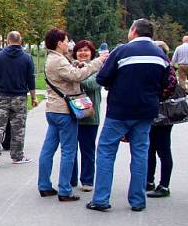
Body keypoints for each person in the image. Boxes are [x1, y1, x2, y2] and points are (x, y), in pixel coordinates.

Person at [87, 19, 174, 212]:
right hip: (146, 111)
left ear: (133, 31)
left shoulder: (122, 51)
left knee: (106, 152)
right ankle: (137, 200)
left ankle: (101, 199)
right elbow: (168, 83)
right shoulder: (160, 55)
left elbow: (102, 78)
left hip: (120, 110)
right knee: (140, 153)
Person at [38, 29, 105, 201]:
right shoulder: (58, 60)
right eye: (66, 41)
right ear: (59, 43)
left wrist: (77, 64)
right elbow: (77, 76)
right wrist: (97, 62)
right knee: (69, 151)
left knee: (48, 149)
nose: (69, 44)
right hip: (64, 112)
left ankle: (44, 185)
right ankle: (65, 190)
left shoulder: (52, 58)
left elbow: (68, 72)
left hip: (53, 110)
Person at [0, 31, 39, 166]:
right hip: (19, 97)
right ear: (20, 41)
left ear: (8, 40)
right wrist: (34, 97)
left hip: (1, 96)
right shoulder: (27, 58)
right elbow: (31, 79)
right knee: (18, 128)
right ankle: (17, 156)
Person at [69, 40, 103, 191]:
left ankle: (87, 181)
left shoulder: (98, 69)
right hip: (71, 114)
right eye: (79, 50)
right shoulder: (70, 67)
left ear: (92, 53)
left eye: (86, 50)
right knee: (70, 150)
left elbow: (91, 84)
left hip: (89, 115)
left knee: (88, 149)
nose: (83, 53)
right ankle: (70, 179)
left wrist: (75, 76)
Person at [146, 40, 178, 198]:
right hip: (156, 112)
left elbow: (170, 88)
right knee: (150, 148)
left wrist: (151, 94)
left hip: (163, 114)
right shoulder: (165, 67)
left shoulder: (166, 68)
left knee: (162, 149)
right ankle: (149, 180)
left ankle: (164, 185)